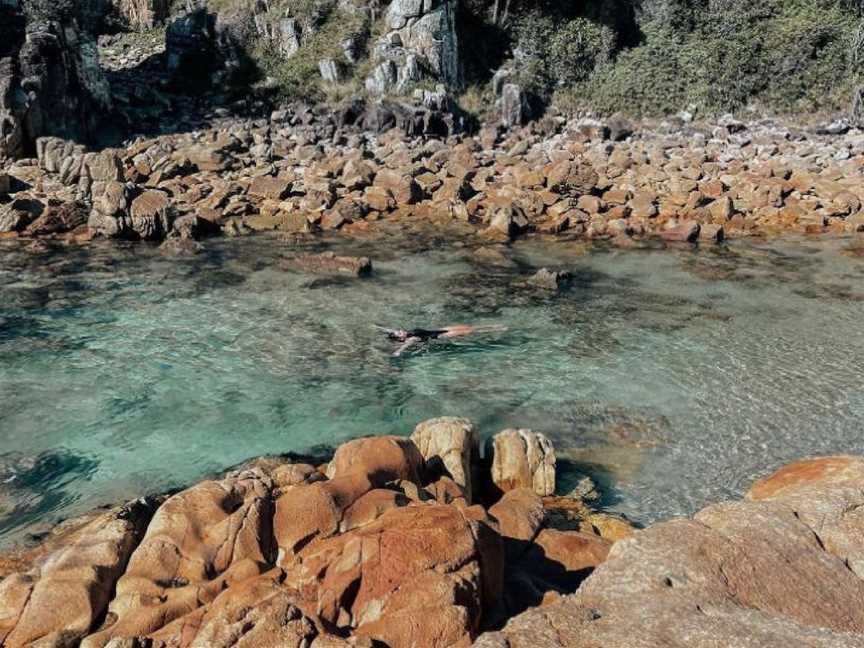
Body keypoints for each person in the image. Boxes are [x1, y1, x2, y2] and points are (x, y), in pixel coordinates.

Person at [378, 324, 507, 356]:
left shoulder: (408, 333)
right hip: (443, 335)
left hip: (441, 329)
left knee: (469, 326)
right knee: (470, 331)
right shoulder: (411, 339)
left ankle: (493, 326)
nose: (400, 330)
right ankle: (495, 329)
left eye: (399, 330)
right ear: (400, 338)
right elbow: (405, 347)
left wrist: (378, 327)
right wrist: (398, 352)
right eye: (399, 332)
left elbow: (389, 330)